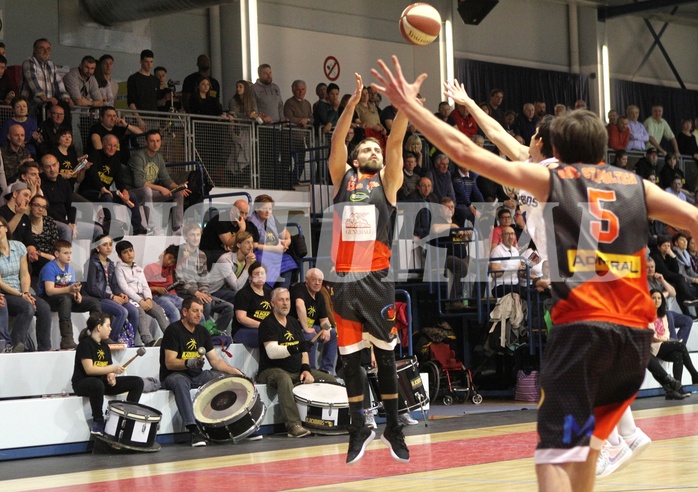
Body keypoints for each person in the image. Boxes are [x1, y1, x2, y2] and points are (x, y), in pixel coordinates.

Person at [370, 55, 698, 492]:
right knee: (584, 452)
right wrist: (468, 102)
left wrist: (411, 108)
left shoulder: (550, 176)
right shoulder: (636, 184)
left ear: (554, 146)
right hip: (636, 331)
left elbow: (468, 150)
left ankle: (624, 435)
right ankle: (624, 435)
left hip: (583, 319)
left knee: (553, 458)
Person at [328, 73, 410, 465]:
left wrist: (405, 107)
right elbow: (337, 142)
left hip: (376, 280)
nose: (374, 151)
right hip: (343, 280)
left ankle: (393, 425)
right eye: (367, 148)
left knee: (387, 358)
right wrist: (350, 104)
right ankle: (359, 426)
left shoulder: (389, 184)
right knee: (351, 361)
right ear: (356, 157)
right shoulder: (342, 177)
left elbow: (395, 141)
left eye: (376, 149)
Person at [159, 296, 243, 447]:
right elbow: (169, 362)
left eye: (201, 311)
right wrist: (189, 363)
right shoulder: (173, 330)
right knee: (179, 382)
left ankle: (226, 424)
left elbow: (215, 361)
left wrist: (234, 371)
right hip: (174, 375)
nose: (199, 315)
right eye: (195, 311)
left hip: (198, 375)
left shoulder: (203, 332)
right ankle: (193, 429)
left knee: (224, 377)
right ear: (184, 311)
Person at [257, 287, 338, 437]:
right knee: (283, 378)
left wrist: (306, 368)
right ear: (272, 303)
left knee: (329, 379)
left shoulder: (294, 322)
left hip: (297, 370)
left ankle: (328, 421)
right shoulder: (267, 324)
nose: (285, 303)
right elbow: (272, 352)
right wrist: (296, 347)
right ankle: (293, 425)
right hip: (271, 370)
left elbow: (304, 351)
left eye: (287, 300)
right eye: (281, 300)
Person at [72, 312, 144, 435]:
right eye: (108, 326)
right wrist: (112, 369)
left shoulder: (105, 346)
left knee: (137, 382)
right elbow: (89, 369)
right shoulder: (85, 344)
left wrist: (111, 377)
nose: (111, 329)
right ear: (99, 327)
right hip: (83, 383)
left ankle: (127, 419)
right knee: (97, 384)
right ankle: (98, 422)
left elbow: (108, 367)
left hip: (101, 382)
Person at [39, 239, 102, 350]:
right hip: (49, 300)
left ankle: (96, 335)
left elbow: (73, 287)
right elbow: (49, 291)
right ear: (57, 254)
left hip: (66, 298)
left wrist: (77, 293)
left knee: (94, 302)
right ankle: (67, 339)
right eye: (66, 253)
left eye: (70, 253)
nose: (69, 256)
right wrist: (68, 289)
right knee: (65, 299)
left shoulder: (70, 268)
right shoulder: (50, 268)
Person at [125, 129, 191, 235]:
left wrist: (178, 187)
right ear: (146, 142)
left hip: (150, 194)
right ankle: (152, 227)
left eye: (158, 141)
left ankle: (177, 228)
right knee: (147, 190)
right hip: (133, 193)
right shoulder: (139, 157)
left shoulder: (158, 157)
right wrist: (161, 188)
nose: (155, 144)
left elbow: (165, 178)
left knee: (178, 193)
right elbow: (139, 183)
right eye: (152, 141)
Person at [79, 134, 147, 235]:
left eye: (115, 146)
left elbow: (119, 180)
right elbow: (92, 175)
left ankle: (137, 227)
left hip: (105, 192)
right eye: (110, 145)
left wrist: (124, 190)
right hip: (89, 191)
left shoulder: (116, 160)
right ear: (103, 144)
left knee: (131, 196)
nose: (112, 148)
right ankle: (112, 226)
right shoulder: (94, 155)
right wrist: (102, 188)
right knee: (107, 197)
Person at [0, 216, 51, 351]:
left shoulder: (19, 246)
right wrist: (21, 294)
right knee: (27, 307)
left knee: (44, 307)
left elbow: (24, 274)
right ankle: (17, 344)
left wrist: (26, 292)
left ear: (5, 228)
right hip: (5, 293)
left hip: (21, 290)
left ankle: (45, 348)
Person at [174, 223, 236, 332]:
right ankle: (201, 334)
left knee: (229, 308)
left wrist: (205, 293)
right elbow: (179, 279)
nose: (195, 238)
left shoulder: (202, 255)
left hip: (199, 293)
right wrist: (196, 293)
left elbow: (204, 278)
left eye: (198, 235)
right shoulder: (179, 252)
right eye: (192, 235)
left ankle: (213, 333)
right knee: (205, 304)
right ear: (185, 237)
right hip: (184, 293)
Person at [85, 235, 142, 345]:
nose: (108, 247)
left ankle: (130, 341)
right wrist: (111, 296)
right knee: (122, 311)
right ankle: (111, 340)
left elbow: (114, 285)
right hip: (99, 298)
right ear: (97, 248)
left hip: (111, 297)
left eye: (110, 244)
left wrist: (121, 294)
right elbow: (91, 288)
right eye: (104, 245)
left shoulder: (110, 263)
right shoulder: (92, 263)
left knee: (134, 311)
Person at [648, 290, 698, 393]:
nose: (657, 300)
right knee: (680, 345)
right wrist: (668, 340)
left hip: (665, 344)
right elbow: (652, 338)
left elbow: (666, 333)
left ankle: (677, 388)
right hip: (655, 347)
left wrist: (668, 340)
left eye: (659, 298)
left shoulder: (664, 315)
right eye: (654, 298)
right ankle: (694, 373)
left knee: (678, 355)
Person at [114, 240, 170, 332]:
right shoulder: (118, 269)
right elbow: (125, 288)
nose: (129, 254)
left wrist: (148, 298)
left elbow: (145, 286)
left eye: (130, 250)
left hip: (144, 297)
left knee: (160, 311)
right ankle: (148, 341)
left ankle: (170, 338)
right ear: (120, 256)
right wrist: (140, 301)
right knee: (140, 313)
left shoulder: (139, 268)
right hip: (130, 298)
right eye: (125, 252)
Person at [290, 268, 338, 374]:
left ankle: (327, 369)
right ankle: (311, 369)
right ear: (307, 279)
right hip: (296, 328)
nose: (317, 283)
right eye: (314, 279)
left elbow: (324, 319)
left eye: (320, 281)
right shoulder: (299, 288)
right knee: (310, 336)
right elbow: (299, 305)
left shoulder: (319, 296)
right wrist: (306, 328)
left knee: (332, 333)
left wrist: (326, 329)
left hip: (311, 328)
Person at [247, 194, 297, 288]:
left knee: (288, 261)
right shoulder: (251, 221)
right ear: (257, 209)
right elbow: (254, 245)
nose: (268, 212)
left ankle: (282, 291)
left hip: (274, 252)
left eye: (270, 208)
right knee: (264, 263)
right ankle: (267, 291)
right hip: (259, 252)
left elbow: (286, 234)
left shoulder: (271, 218)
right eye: (265, 208)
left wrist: (287, 241)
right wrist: (276, 249)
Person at [207, 231, 256, 303]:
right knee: (239, 296)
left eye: (252, 242)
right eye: (247, 242)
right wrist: (248, 266)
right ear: (239, 245)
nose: (251, 246)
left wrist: (252, 265)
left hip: (228, 290)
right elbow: (237, 287)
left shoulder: (247, 259)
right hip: (214, 291)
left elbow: (249, 282)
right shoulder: (226, 259)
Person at [200, 199, 250, 269]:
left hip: (227, 251)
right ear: (233, 210)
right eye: (241, 212)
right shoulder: (221, 219)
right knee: (232, 258)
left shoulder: (243, 221)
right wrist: (241, 230)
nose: (243, 216)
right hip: (210, 252)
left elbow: (246, 240)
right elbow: (228, 241)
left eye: (246, 214)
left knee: (250, 257)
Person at [232, 261, 272, 347]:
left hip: (264, 329)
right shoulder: (243, 294)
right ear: (250, 277)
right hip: (243, 331)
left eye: (262, 273)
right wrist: (262, 326)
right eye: (256, 274)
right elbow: (241, 318)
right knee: (269, 335)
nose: (260, 276)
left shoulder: (270, 293)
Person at [144, 244, 183, 323]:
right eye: (169, 258)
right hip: (158, 297)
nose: (169, 262)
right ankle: (175, 335)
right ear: (164, 253)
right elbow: (143, 288)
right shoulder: (150, 267)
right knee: (174, 312)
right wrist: (156, 289)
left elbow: (185, 254)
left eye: (172, 261)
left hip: (173, 296)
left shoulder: (171, 267)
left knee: (192, 308)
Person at [27, 194, 59, 280]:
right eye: (37, 205)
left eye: (43, 207)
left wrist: (53, 256)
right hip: (34, 257)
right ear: (30, 206)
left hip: (50, 256)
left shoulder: (49, 221)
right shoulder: (24, 221)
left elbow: (56, 243)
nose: (40, 209)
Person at [127, 49, 159, 129]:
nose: (149, 65)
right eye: (146, 62)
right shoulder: (133, 79)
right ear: (141, 62)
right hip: (140, 117)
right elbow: (131, 101)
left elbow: (156, 101)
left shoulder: (155, 80)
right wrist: (139, 119)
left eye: (151, 62)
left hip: (155, 118)